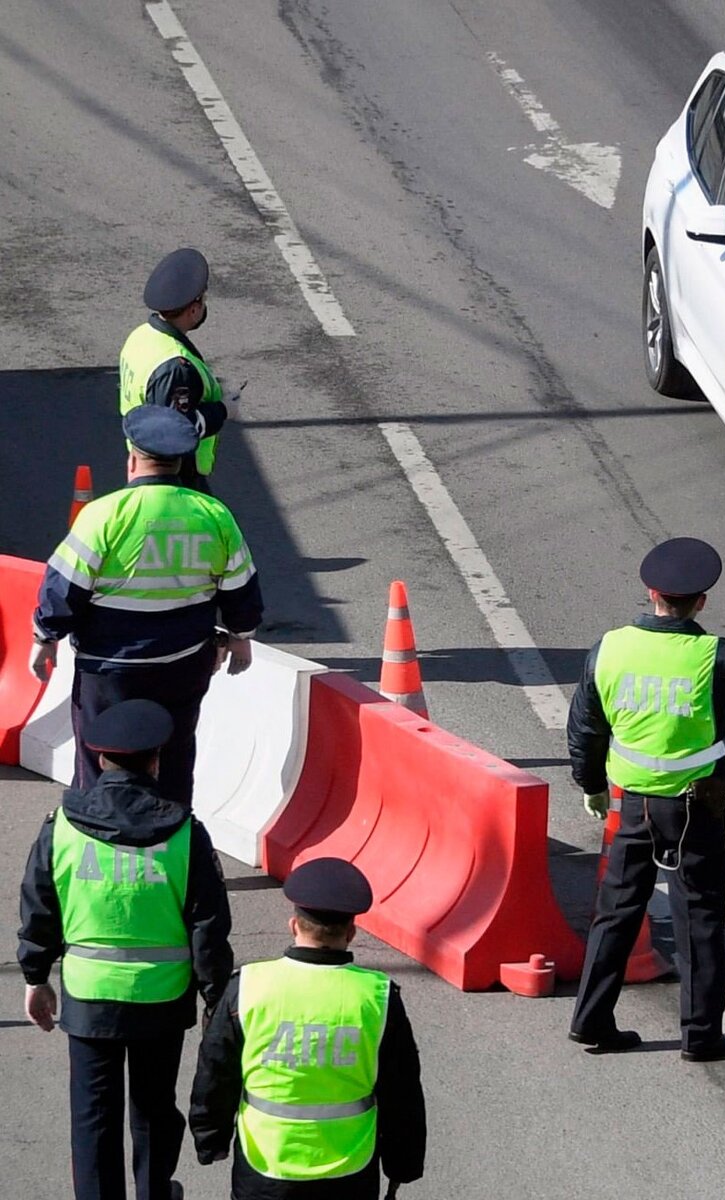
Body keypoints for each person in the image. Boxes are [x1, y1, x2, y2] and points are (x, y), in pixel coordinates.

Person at [566, 537, 725, 1060]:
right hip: (695, 808)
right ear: (701, 602)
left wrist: (592, 786)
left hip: (630, 804)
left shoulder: (610, 648)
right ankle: (700, 1036)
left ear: (651, 593)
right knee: (699, 917)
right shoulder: (713, 659)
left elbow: (585, 726)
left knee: (616, 913)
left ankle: (591, 1021)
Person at [18, 698, 234, 1200]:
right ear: (156, 762)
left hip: (90, 999)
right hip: (161, 1000)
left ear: (99, 760)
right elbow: (208, 925)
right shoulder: (184, 832)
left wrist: (35, 976)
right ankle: (155, 1192)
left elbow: (39, 906)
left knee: (93, 1116)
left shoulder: (63, 826)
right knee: (155, 1110)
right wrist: (214, 998)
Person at [29, 405, 264, 807]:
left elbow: (63, 589)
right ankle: (172, 846)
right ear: (180, 462)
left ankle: (97, 835)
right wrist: (241, 638)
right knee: (174, 755)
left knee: (99, 755)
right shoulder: (213, 515)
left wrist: (45, 637)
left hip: (109, 668)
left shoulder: (103, 516)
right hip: (184, 663)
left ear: (132, 458)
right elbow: (241, 588)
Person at [189, 857, 427, 1199]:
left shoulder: (250, 986)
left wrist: (210, 1138)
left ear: (293, 926)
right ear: (351, 932)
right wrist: (402, 1164)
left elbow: (215, 1069)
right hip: (349, 1169)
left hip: (266, 1165)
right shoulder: (378, 996)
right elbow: (401, 1089)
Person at [119, 247, 234, 493]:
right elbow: (176, 431)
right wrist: (223, 410)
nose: (205, 305)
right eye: (203, 300)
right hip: (173, 482)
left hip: (142, 465)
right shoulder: (175, 367)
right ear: (193, 310)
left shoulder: (142, 336)